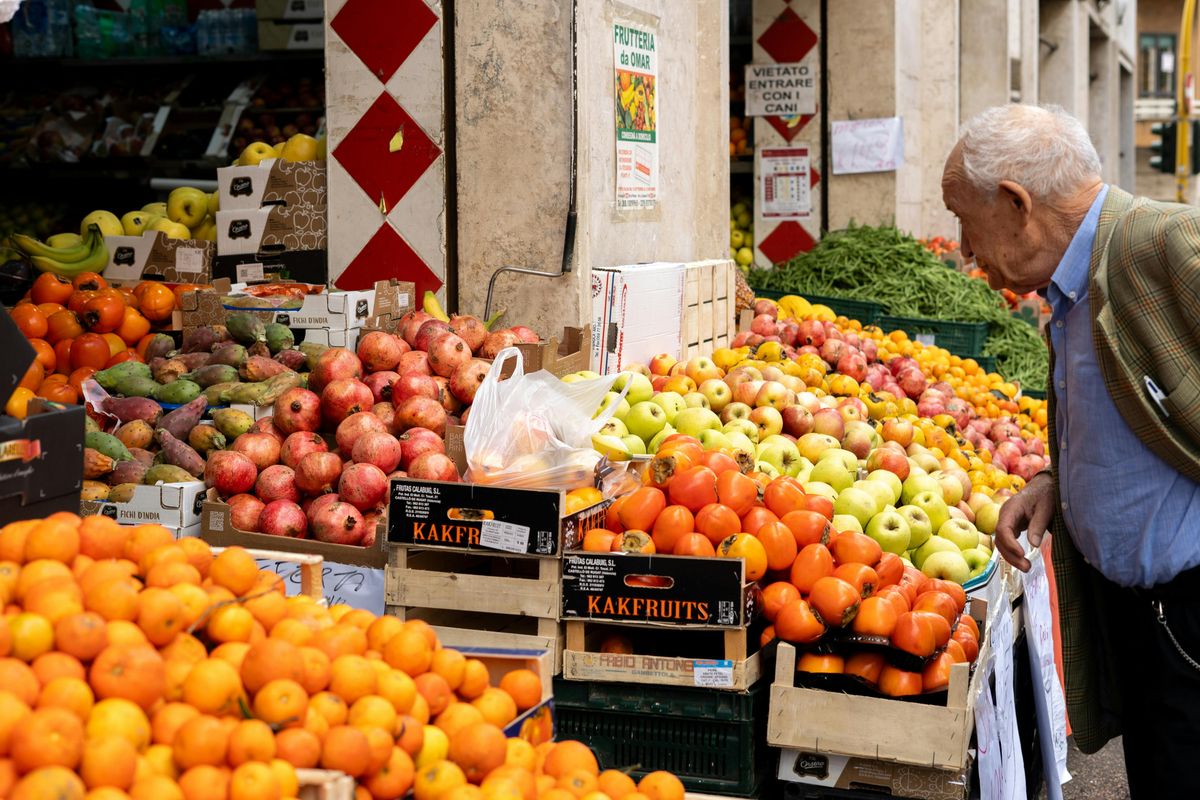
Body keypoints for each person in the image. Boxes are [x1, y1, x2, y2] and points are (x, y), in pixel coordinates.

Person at [941, 104, 1200, 797]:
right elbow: (1137, 415)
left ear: (1017, 204)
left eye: (967, 224)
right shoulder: (1074, 286)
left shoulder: (1165, 243)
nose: (966, 253)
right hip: (1143, 621)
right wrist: (1060, 482)